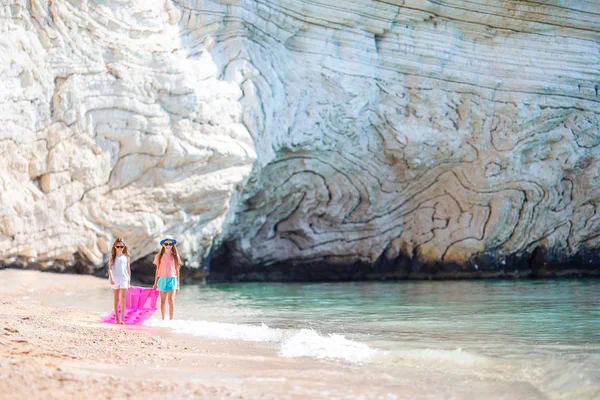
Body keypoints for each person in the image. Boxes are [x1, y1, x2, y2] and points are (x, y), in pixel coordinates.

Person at [152, 237, 182, 320]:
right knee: (162, 301)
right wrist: (155, 283)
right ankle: (163, 318)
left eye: (170, 244)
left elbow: (177, 270)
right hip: (162, 279)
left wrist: (178, 284)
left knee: (171, 300)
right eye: (166, 244)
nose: (168, 246)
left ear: (172, 245)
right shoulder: (159, 256)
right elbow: (157, 270)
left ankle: (171, 320)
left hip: (172, 279)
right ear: (163, 245)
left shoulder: (175, 256)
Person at [108, 238, 131, 325]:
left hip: (124, 279)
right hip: (114, 280)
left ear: (124, 247)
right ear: (115, 246)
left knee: (123, 299)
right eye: (118, 246)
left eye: (121, 246)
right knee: (116, 299)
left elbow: (128, 270)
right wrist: (111, 278)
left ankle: (122, 319)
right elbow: (109, 269)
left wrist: (129, 281)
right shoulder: (112, 257)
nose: (120, 248)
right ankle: (117, 319)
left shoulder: (126, 257)